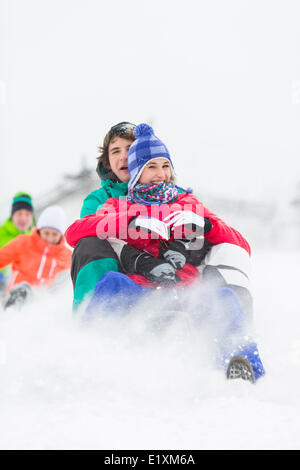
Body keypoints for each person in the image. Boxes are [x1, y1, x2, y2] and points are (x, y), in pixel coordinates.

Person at [66, 124, 265, 383]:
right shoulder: (115, 205)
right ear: (137, 171)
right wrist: (132, 235)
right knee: (111, 284)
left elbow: (240, 244)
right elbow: (81, 234)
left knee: (224, 299)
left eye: (165, 166)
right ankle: (86, 358)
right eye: (151, 167)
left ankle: (241, 367)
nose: (160, 174)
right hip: (141, 291)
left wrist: (205, 226)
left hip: (185, 292)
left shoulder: (185, 201)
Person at [71, 122, 136, 308]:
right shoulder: (96, 201)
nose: (123, 156)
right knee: (89, 243)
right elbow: (83, 239)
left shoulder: (163, 194)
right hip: (116, 279)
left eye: (130, 149)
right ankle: (93, 314)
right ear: (107, 161)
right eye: (115, 151)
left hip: (156, 277)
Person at [0, 205, 72, 309]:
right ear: (39, 230)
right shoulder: (24, 242)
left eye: (54, 234)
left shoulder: (65, 256)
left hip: (43, 305)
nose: (50, 238)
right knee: (24, 289)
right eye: (46, 233)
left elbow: (72, 281)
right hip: (16, 298)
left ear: (61, 235)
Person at [0, 192, 35, 293]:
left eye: (27, 214)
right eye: (19, 214)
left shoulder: (37, 237)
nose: (23, 218)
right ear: (12, 216)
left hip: (29, 289)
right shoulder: (1, 234)